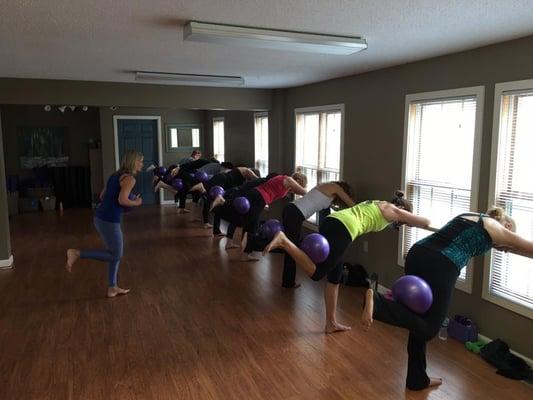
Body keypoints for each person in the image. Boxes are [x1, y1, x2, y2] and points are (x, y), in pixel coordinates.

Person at [361, 206, 527, 391]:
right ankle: (379, 302)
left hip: (418, 252)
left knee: (418, 318)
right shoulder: (498, 228)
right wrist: (510, 242)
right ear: (508, 225)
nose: (504, 248)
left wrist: (502, 245)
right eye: (508, 240)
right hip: (441, 264)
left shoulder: (470, 216)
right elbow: (528, 246)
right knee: (430, 328)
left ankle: (417, 379)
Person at [264, 191, 430, 333]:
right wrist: (412, 221)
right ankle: (284, 241)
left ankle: (330, 323)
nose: (400, 224)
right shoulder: (393, 209)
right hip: (344, 229)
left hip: (334, 220)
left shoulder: (380, 202)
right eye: (402, 222)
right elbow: (425, 222)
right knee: (316, 273)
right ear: (402, 209)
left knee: (334, 278)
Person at [65, 150, 144, 298]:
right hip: (108, 220)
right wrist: (136, 202)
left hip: (101, 217)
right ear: (133, 162)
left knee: (113, 253)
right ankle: (76, 253)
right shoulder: (130, 179)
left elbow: (102, 196)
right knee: (116, 254)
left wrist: (118, 204)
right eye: (140, 161)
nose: (142, 164)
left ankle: (112, 287)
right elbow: (122, 200)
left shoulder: (115, 175)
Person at [281, 181, 355, 288]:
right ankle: (288, 283)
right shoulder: (335, 188)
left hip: (291, 209)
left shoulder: (325, 187)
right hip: (294, 213)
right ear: (344, 190)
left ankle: (288, 281)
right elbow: (351, 204)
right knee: (290, 248)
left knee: (291, 247)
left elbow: (325, 205)